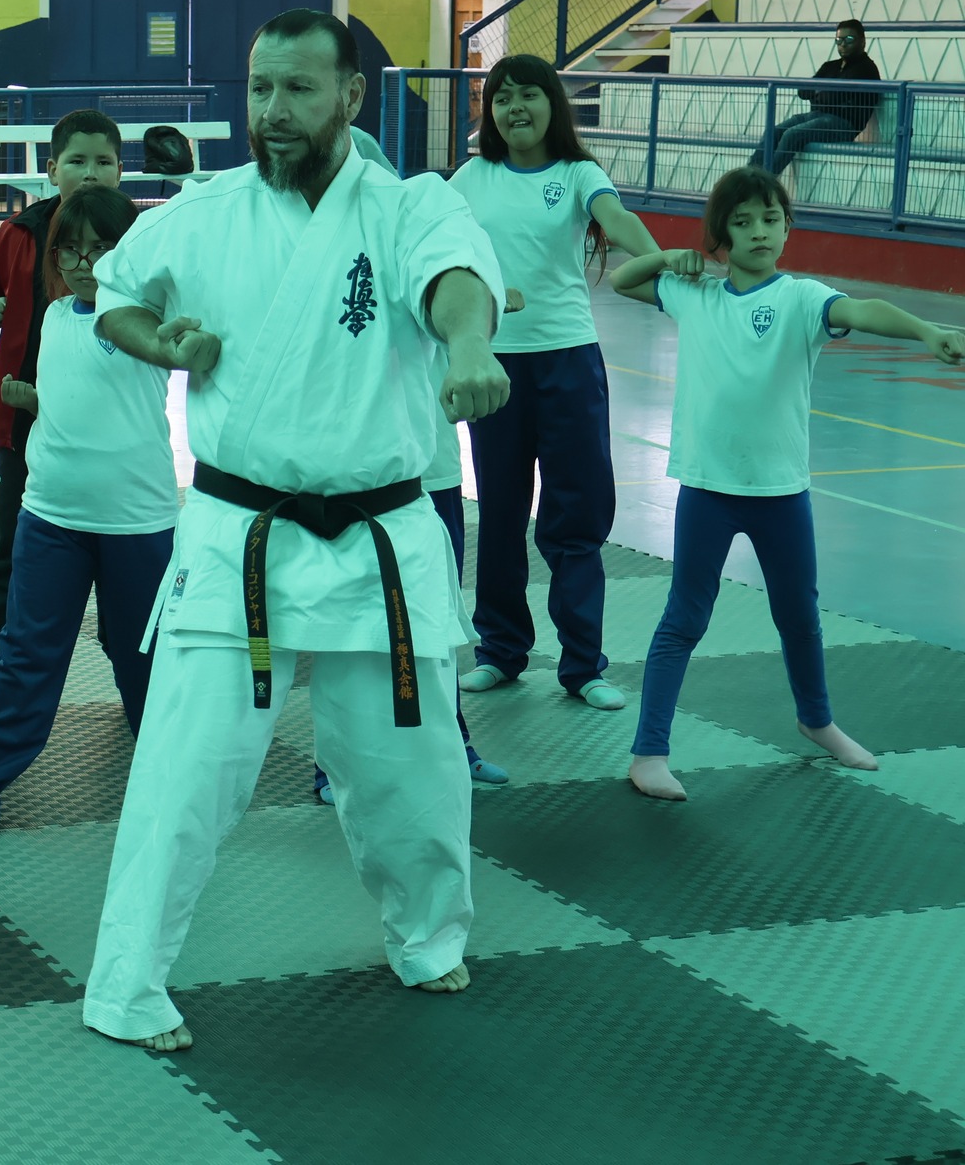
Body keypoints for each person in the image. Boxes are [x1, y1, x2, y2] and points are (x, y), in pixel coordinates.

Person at [82, 9, 511, 1054]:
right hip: (240, 532)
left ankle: (424, 938)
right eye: (258, 88)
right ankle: (124, 988)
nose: (269, 112)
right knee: (184, 768)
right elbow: (110, 300)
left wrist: (463, 353)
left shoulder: (410, 205)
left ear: (350, 98)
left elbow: (456, 286)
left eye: (296, 91)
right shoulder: (203, 209)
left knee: (408, 771)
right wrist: (163, 340)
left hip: (379, 536)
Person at [609, 166, 961, 801]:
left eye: (770, 219)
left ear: (787, 228)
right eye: (741, 223)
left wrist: (925, 330)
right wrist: (669, 256)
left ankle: (816, 718)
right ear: (720, 237)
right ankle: (649, 751)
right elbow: (622, 279)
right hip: (708, 489)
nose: (758, 232)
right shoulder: (698, 296)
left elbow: (864, 309)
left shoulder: (800, 299)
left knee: (799, 614)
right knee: (685, 616)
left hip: (780, 493)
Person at [450, 55, 682, 714]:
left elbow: (617, 219)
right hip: (496, 364)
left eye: (528, 95)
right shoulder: (471, 177)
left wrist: (659, 256)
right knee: (498, 511)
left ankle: (583, 663)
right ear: (488, 112)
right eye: (501, 98)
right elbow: (432, 238)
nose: (514, 108)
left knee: (574, 515)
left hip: (569, 362)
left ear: (553, 104)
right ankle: (501, 649)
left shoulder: (580, 173)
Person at [0, 187, 174, 844]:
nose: (82, 262)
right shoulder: (51, 318)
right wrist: (33, 398)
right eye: (70, 249)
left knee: (145, 655)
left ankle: (169, 773)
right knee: (26, 650)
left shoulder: (149, 313)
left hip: (137, 521)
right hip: (51, 516)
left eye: (99, 248)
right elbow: (78, 397)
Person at [310, 126, 511, 802]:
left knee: (433, 621)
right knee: (344, 625)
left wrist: (475, 330)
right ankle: (333, 764)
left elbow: (461, 299)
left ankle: (450, 740)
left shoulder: (422, 250)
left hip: (429, 479)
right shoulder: (315, 269)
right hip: (350, 486)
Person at [0, 109, 126, 735]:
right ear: (51, 169)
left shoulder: (141, 234)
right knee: (7, 555)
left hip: (113, 436)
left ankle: (141, 689)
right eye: (77, 160)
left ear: (121, 170)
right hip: (22, 429)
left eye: (103, 161)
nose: (90, 173)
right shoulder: (20, 231)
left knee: (126, 572)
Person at [752, 20, 882, 177]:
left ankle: (764, 181)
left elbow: (834, 97)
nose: (843, 44)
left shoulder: (867, 69)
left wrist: (821, 93)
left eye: (849, 40)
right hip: (816, 117)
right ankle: (749, 176)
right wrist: (825, 93)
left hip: (843, 125)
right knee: (774, 131)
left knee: (792, 134)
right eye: (839, 40)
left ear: (862, 42)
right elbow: (804, 91)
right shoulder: (830, 66)